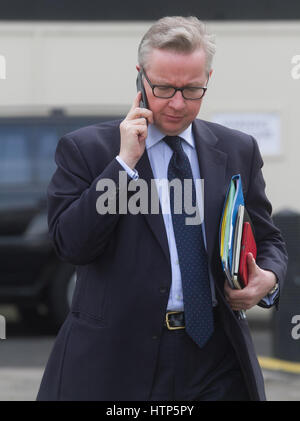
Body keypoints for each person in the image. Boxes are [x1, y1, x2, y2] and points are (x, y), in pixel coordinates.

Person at [37, 16, 288, 401]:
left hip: (216, 357)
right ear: (140, 77)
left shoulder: (237, 149)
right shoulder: (87, 150)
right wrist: (123, 166)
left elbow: (269, 239)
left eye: (192, 90)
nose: (177, 103)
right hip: (118, 359)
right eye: (164, 87)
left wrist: (267, 278)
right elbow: (72, 245)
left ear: (208, 78)